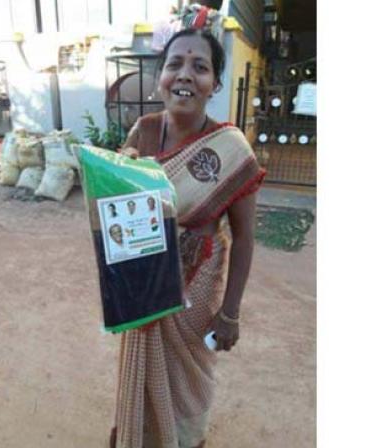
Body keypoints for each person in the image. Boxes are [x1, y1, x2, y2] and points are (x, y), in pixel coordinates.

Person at [111, 28, 265, 448]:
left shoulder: (231, 150)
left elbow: (246, 237)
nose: (185, 74)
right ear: (160, 76)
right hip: (143, 286)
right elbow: (114, 214)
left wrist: (230, 312)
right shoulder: (142, 133)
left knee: (190, 378)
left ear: (214, 84)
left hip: (196, 288)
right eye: (174, 64)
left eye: (200, 66)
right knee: (141, 372)